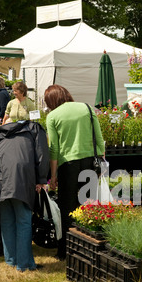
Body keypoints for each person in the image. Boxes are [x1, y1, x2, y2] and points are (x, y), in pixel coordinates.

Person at [44, 84, 105, 260]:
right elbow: (99, 140)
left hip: (67, 165)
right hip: (90, 162)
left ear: (51, 101)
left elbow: (54, 148)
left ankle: (65, 251)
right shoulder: (86, 107)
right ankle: (90, 247)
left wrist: (53, 176)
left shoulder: (53, 116)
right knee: (89, 206)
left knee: (67, 209)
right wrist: (101, 163)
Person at [0, 119, 49, 271]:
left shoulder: (1, 131)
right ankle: (25, 265)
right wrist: (42, 179)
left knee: (7, 220)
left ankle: (11, 261)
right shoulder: (35, 128)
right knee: (24, 220)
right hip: (19, 173)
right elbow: (42, 153)